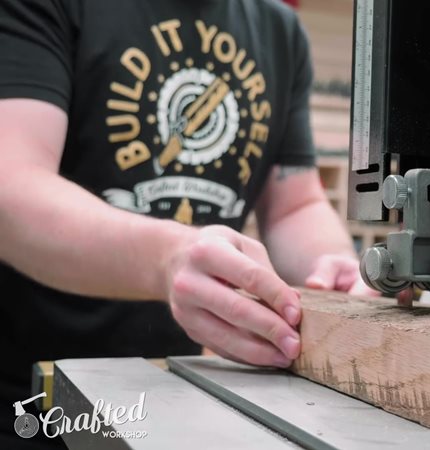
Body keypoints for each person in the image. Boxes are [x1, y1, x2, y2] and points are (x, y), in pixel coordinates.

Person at [0, 0, 381, 447]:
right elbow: (12, 187)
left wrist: (331, 263)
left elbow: (293, 207)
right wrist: (165, 260)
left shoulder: (279, 28)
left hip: (173, 385)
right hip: (31, 399)